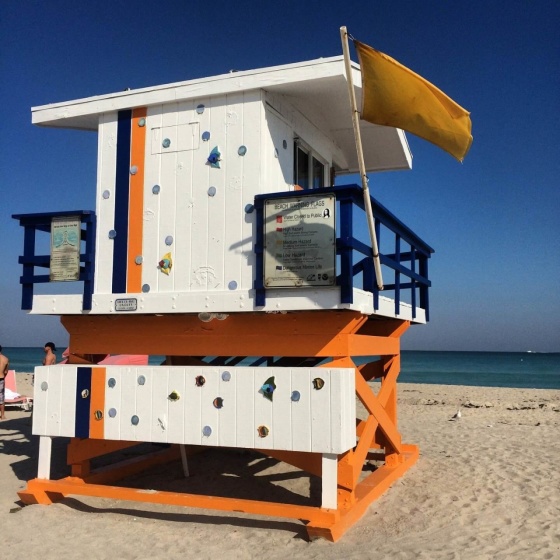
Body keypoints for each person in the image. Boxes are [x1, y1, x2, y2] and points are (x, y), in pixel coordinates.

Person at [0, 345, 9, 420]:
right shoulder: (5, 359)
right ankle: (2, 415)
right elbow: (6, 371)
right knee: (1, 398)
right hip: (1, 378)